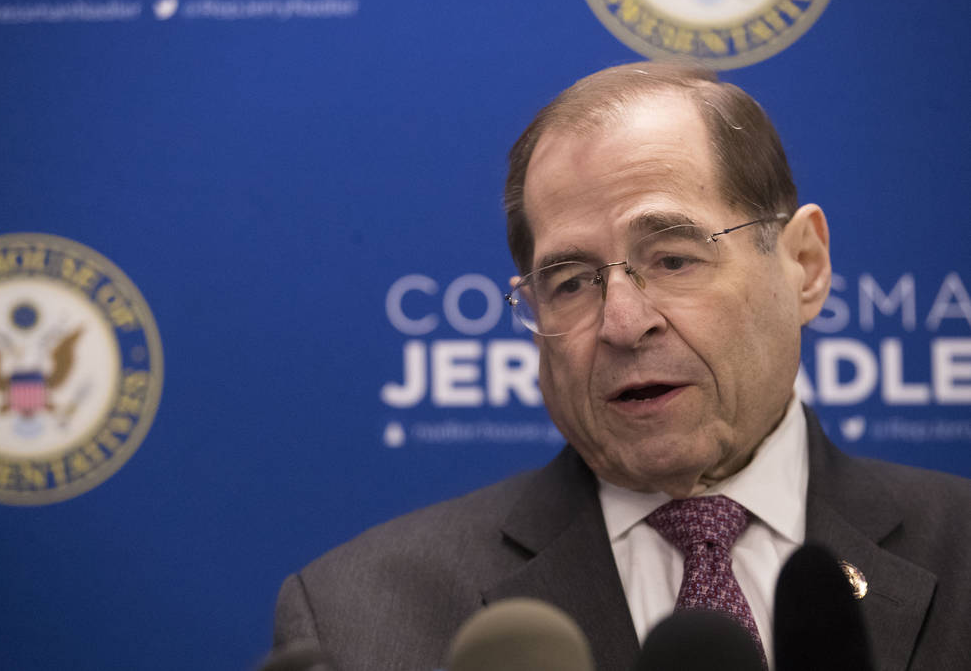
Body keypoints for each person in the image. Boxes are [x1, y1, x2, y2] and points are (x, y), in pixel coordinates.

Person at [272, 63, 971, 670]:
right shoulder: (358, 616)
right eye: (571, 282)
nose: (624, 323)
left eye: (673, 259)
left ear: (804, 267)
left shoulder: (959, 549)